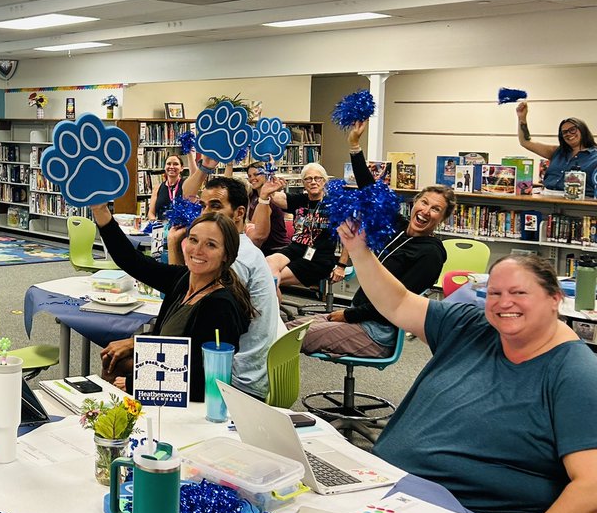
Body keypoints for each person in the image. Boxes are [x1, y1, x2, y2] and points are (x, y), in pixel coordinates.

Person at [340, 223, 597, 513]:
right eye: (494, 293)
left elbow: (592, 487)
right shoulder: (471, 326)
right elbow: (397, 302)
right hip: (398, 499)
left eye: (518, 292)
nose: (503, 303)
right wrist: (359, 250)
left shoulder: (574, 373)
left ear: (554, 298)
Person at [294, 120, 452, 358]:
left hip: (377, 330)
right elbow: (371, 192)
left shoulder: (430, 254)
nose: (426, 211)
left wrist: (347, 316)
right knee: (288, 329)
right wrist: (355, 145)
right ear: (415, 203)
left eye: (436, 209)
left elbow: (397, 304)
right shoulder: (398, 227)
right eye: (424, 202)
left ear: (443, 219)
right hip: (359, 315)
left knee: (287, 339)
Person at [91, 205, 256, 401]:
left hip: (190, 395)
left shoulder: (220, 306)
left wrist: (134, 382)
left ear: (226, 255)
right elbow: (132, 261)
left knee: (116, 367)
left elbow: (202, 379)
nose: (197, 250)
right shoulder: (185, 279)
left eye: (210, 245)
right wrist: (100, 209)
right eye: (193, 240)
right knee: (112, 357)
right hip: (168, 368)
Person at [161, 176, 280, 398]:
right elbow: (184, 288)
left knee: (134, 369)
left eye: (215, 206)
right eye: (202, 205)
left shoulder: (236, 261)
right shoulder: (242, 248)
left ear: (239, 213)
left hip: (234, 382)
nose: (205, 213)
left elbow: (190, 336)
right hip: (248, 369)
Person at [257, 163, 337, 288]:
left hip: (320, 256)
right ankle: (273, 305)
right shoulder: (300, 200)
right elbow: (274, 196)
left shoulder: (334, 204)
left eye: (317, 178)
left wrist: (342, 265)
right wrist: (270, 178)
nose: (313, 182)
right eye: (308, 179)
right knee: (269, 262)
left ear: (324, 181)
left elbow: (349, 235)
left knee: (270, 277)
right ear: (303, 183)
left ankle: (271, 306)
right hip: (296, 248)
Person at [515, 100, 597, 198]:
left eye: (573, 130)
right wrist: (522, 118)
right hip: (547, 199)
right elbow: (526, 142)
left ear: (583, 130)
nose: (568, 134)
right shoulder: (557, 151)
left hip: (580, 204)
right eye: (564, 132)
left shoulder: (594, 156)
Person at [147, 155, 184, 222]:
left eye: (175, 164)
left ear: (182, 168)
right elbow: (151, 213)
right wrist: (155, 223)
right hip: (161, 227)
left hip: (180, 228)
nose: (171, 167)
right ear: (164, 167)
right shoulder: (157, 188)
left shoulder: (186, 186)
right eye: (168, 164)